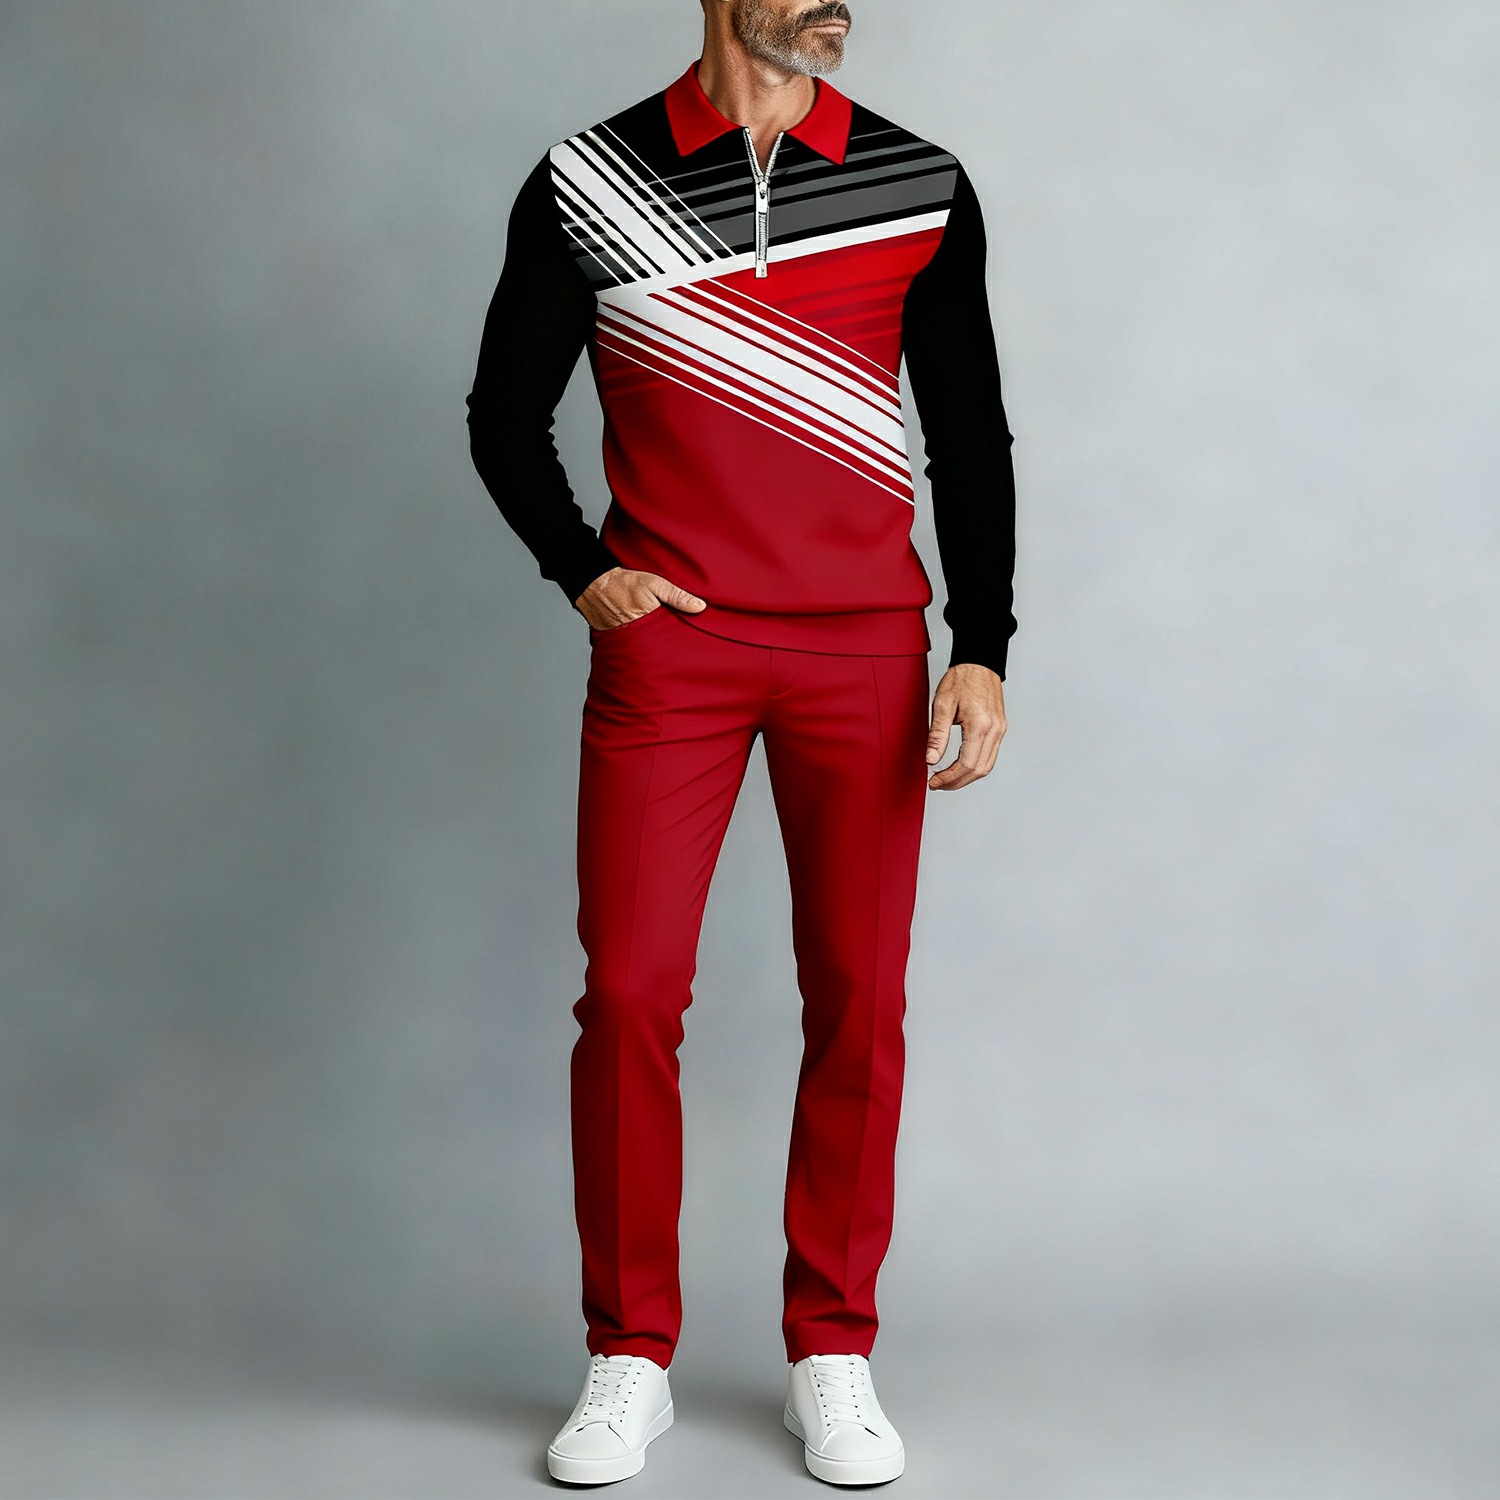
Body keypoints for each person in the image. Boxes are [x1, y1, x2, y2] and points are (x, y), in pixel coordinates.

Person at [465, 0, 1017, 1485]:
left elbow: (969, 429)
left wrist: (981, 643)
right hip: (676, 653)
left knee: (859, 1001)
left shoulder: (919, 182)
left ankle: (831, 1351)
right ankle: (627, 1357)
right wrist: (585, 571)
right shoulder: (587, 180)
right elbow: (504, 412)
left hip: (865, 652)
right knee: (630, 996)